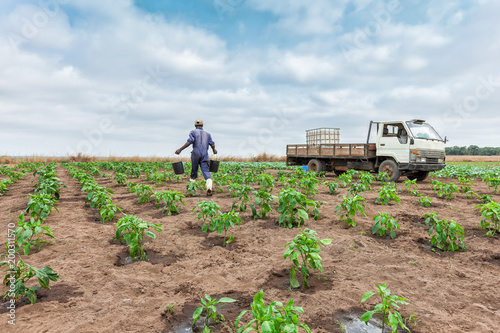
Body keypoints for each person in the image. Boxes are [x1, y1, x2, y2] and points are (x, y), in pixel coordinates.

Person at [175, 119, 217, 196]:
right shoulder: (208, 134)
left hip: (195, 153)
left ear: (195, 125)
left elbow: (190, 141)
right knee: (205, 170)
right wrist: (214, 150)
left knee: (194, 170)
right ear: (202, 125)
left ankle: (191, 189)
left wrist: (180, 149)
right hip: (205, 153)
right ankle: (209, 186)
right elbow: (212, 144)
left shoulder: (193, 132)